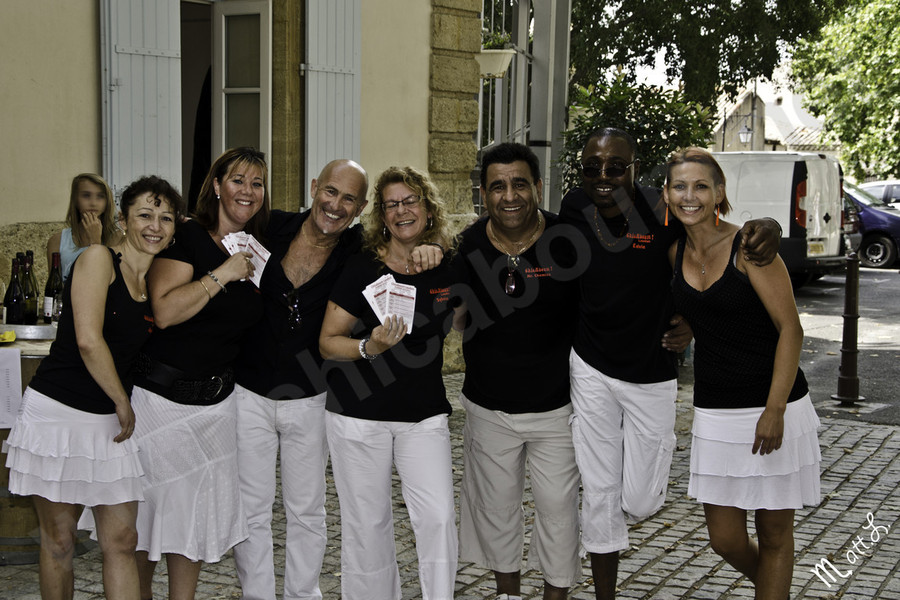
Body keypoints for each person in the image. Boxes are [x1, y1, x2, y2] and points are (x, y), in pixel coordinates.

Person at [559, 127, 783, 600]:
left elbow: (710, 258)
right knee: (598, 492)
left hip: (651, 370)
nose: (603, 176)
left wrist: (768, 226)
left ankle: (771, 580)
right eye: (592, 167)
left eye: (615, 167)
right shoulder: (574, 207)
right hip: (590, 365)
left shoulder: (664, 213)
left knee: (640, 500)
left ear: (635, 169)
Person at [231, 159, 444, 600]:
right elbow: (217, 229)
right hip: (249, 391)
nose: (336, 205)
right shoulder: (270, 229)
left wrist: (434, 244)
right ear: (314, 188)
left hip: (311, 395)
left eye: (349, 199)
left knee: (307, 510)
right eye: (330, 191)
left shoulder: (355, 250)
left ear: (361, 208)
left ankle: (302, 596)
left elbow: (407, 235)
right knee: (250, 509)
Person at [5, 176, 182, 600]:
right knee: (60, 541)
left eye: (166, 218)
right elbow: (88, 339)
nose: (155, 226)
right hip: (58, 416)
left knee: (122, 540)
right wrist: (122, 400)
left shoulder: (153, 279)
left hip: (109, 426)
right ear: (122, 219)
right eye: (144, 215)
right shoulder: (99, 259)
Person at [663, 148, 820, 599]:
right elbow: (709, 308)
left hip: (773, 405)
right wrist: (690, 324)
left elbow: (791, 329)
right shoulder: (674, 252)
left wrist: (775, 410)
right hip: (715, 411)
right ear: (667, 195)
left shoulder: (750, 249)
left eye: (701, 186)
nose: (689, 196)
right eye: (679, 186)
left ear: (719, 193)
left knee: (773, 534)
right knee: (725, 539)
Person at [130, 147, 266, 600]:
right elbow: (165, 311)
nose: (248, 191)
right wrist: (223, 274)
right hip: (161, 406)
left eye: (257, 183)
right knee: (147, 522)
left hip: (215, 410)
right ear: (217, 185)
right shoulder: (187, 236)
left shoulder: (256, 248)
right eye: (238, 180)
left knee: (191, 524)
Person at [319, 166, 460, 600]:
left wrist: (438, 246)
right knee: (367, 526)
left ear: (428, 207)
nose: (402, 211)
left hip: (423, 414)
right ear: (381, 215)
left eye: (410, 200)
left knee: (437, 517)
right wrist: (370, 346)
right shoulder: (363, 266)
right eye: (391, 204)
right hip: (358, 414)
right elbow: (328, 342)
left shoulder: (448, 264)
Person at [454, 143, 582, 600]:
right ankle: (508, 594)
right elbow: (449, 313)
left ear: (539, 187)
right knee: (496, 509)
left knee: (559, 509)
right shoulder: (466, 246)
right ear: (483, 194)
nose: (510, 196)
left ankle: (555, 595)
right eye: (497, 186)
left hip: (558, 408)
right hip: (489, 407)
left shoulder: (568, 240)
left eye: (520, 184)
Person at [47, 173, 122, 280]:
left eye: (100, 196)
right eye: (86, 195)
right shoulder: (57, 241)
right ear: (75, 200)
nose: (93, 203)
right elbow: (53, 284)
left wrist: (95, 243)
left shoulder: (117, 238)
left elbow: (113, 281)